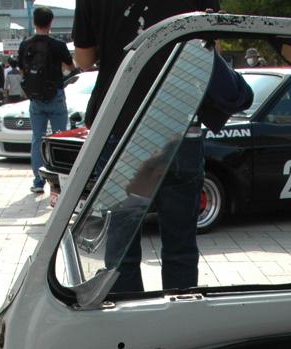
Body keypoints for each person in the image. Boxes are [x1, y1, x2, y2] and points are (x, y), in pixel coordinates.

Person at [72, 0, 217, 294]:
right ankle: (181, 316)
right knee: (181, 245)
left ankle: (130, 318)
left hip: (121, 125)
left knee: (121, 250)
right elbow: (211, 51)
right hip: (180, 122)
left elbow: (84, 60)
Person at [20, 5, 73, 193]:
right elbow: (71, 66)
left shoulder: (25, 44)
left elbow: (22, 70)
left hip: (35, 98)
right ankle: (59, 182)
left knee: (37, 139)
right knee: (60, 138)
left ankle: (38, 182)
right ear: (51, 23)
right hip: (55, 95)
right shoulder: (58, 45)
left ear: (34, 22)